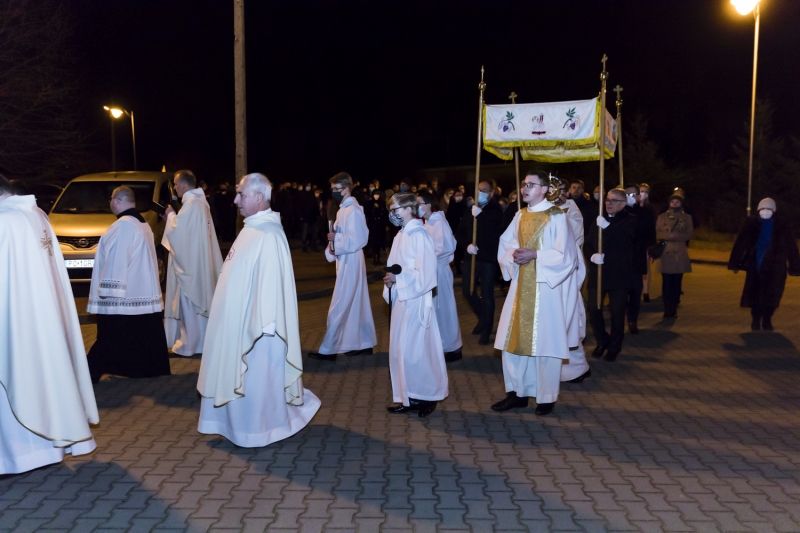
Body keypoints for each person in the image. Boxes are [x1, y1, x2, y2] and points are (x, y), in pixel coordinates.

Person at [198, 173, 320, 446]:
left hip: (258, 329)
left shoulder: (270, 234)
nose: (235, 200)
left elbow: (271, 285)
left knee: (255, 384)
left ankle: (259, 431)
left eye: (241, 195)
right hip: (236, 323)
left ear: (259, 196)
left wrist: (262, 327)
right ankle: (233, 426)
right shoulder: (251, 229)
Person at [0, 176, 99, 475]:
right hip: (37, 317)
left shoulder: (7, 222)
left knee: (20, 381)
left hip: (17, 321)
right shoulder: (36, 215)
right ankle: (46, 449)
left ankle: (17, 457)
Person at [491, 170, 579, 416]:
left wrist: (536, 255)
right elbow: (506, 243)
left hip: (545, 290)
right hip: (520, 287)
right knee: (512, 342)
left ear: (544, 189)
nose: (525, 188)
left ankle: (546, 397)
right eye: (523, 184)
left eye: (531, 184)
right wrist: (513, 256)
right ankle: (517, 393)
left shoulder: (556, 216)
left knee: (545, 344)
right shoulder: (520, 214)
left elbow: (567, 255)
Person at [87, 186, 172, 382]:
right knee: (140, 336)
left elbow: (117, 259)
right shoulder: (142, 223)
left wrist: (108, 289)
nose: (110, 203)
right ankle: (139, 370)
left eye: (111, 199)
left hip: (122, 297)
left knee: (110, 337)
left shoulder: (123, 226)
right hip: (139, 290)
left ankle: (88, 374)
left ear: (117, 200)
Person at [383, 193, 448, 417]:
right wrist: (390, 279)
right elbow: (394, 265)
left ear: (409, 208)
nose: (392, 214)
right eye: (391, 210)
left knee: (417, 351)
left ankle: (427, 396)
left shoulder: (419, 235)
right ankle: (407, 396)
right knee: (401, 351)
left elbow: (426, 273)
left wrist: (399, 279)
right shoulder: (401, 235)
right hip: (402, 299)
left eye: (395, 209)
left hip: (417, 300)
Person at [309, 171, 377, 361]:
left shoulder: (353, 210)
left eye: (336, 188)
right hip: (346, 260)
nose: (333, 192)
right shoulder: (343, 210)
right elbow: (342, 236)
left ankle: (329, 349)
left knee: (339, 305)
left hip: (351, 261)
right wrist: (332, 242)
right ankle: (363, 343)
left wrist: (336, 239)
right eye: (332, 189)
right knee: (356, 303)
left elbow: (359, 238)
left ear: (346, 188)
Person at [163, 170, 223, 357]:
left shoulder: (191, 205)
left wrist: (170, 216)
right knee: (197, 306)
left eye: (175, 184)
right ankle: (202, 343)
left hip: (190, 267)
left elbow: (179, 234)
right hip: (197, 262)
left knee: (190, 304)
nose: (174, 188)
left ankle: (190, 344)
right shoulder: (199, 203)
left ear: (183, 184)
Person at [728, 197, 800, 331]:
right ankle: (756, 319)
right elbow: (741, 243)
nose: (765, 211)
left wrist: (795, 266)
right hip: (756, 264)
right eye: (763, 209)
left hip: (776, 266)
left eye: (768, 209)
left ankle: (767, 319)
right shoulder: (751, 224)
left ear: (774, 211)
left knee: (773, 294)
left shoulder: (782, 226)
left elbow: (791, 246)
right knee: (755, 294)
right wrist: (735, 263)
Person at [586, 188, 638, 361]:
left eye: (614, 200)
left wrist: (609, 227)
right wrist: (592, 256)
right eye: (607, 200)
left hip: (619, 274)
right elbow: (588, 243)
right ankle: (602, 340)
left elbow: (626, 240)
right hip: (599, 272)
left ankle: (615, 346)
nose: (609, 203)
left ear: (623, 204)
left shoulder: (630, 220)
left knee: (617, 312)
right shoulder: (599, 219)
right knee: (594, 309)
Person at [548, 177, 590, 383]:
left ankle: (577, 368)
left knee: (569, 318)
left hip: (566, 269)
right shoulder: (541, 209)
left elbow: (575, 236)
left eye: (561, 189)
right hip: (546, 271)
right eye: (553, 189)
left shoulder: (571, 209)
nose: (557, 194)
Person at [417, 190, 463, 362]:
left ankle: (452, 347)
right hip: (431, 271)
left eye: (419, 203)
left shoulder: (439, 222)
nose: (416, 207)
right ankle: (439, 345)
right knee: (434, 310)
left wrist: (424, 257)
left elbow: (445, 248)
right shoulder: (427, 223)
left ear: (429, 204)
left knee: (444, 309)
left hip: (439, 271)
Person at [456, 179, 503, 345]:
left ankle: (487, 329)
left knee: (487, 293)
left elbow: (495, 233)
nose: (480, 193)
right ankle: (483, 318)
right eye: (478, 190)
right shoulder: (471, 210)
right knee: (468, 291)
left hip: (488, 258)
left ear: (491, 193)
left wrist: (481, 217)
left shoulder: (496, 210)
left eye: (484, 190)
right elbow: (460, 232)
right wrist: (467, 245)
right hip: (472, 257)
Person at [655, 188, 694, 319]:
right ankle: (667, 309)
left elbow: (689, 234)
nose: (675, 203)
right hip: (666, 252)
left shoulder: (687, 217)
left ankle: (674, 307)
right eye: (673, 201)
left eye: (677, 202)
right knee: (666, 282)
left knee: (677, 282)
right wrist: (669, 236)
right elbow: (658, 232)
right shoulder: (662, 217)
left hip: (680, 252)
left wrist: (674, 236)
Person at [623, 184, 656, 333]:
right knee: (621, 293)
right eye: (627, 194)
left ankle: (632, 319)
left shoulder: (645, 213)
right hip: (621, 260)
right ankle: (620, 318)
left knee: (635, 291)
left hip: (637, 258)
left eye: (633, 194)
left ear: (638, 196)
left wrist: (651, 249)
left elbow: (649, 234)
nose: (630, 197)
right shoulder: (619, 212)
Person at [638, 182, 656, 302]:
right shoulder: (633, 207)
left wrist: (651, 245)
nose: (642, 194)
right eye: (641, 191)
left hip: (645, 243)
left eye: (645, 192)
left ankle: (646, 291)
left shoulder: (650, 209)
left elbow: (652, 228)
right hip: (634, 242)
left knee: (645, 269)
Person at [365, 188, 388, 265]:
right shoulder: (369, 203)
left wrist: (385, 224)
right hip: (373, 226)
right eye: (375, 194)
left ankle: (378, 258)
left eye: (378, 195)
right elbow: (368, 214)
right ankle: (374, 258)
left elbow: (385, 214)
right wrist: (374, 209)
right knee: (374, 242)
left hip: (380, 226)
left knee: (379, 242)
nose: (376, 196)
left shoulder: (382, 203)